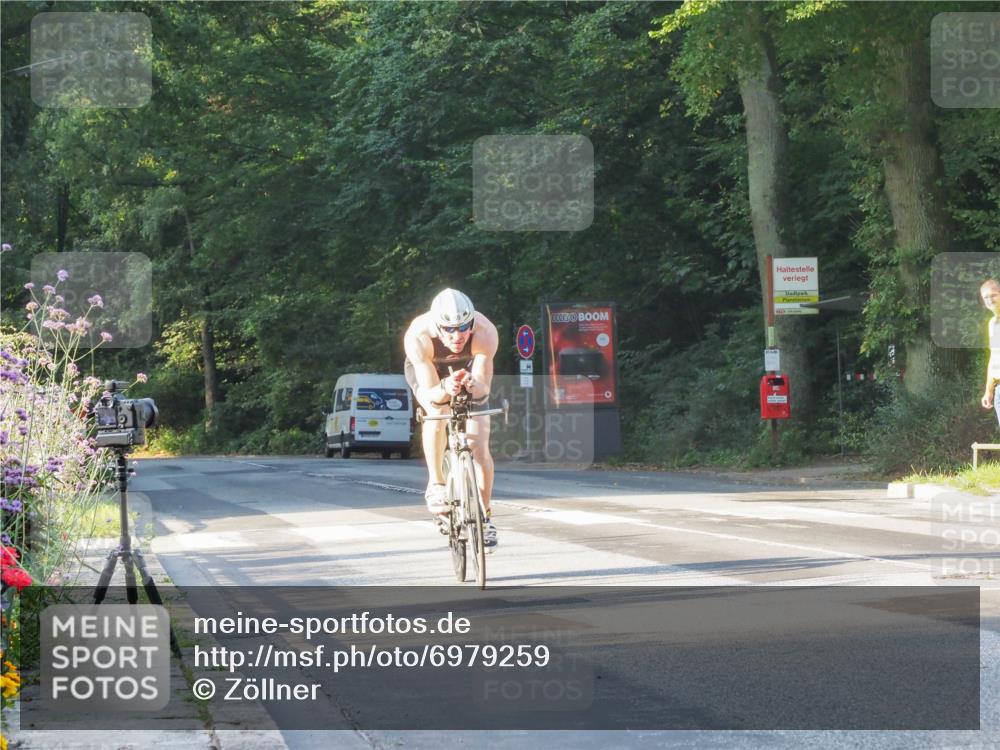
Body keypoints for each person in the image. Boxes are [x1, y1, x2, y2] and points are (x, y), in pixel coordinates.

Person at [403, 289, 500, 550]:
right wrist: (446, 387)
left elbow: (483, 389)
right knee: (436, 413)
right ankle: (436, 483)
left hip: (469, 369)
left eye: (463, 328)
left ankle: (485, 516)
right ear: (437, 326)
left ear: (472, 323)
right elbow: (432, 394)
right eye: (449, 330)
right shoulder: (419, 337)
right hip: (432, 372)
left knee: (479, 446)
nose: (457, 337)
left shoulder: (485, 333)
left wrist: (472, 383)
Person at [980, 279, 1000, 426]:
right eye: (986, 297)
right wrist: (989, 390)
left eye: (993, 295)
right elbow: (994, 358)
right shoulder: (993, 324)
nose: (990, 300)